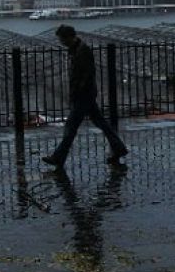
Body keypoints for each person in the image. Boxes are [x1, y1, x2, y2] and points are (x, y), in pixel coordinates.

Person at [42, 25, 129, 169]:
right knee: (102, 124)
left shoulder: (83, 50)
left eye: (62, 39)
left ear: (69, 37)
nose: (61, 42)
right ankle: (119, 148)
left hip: (83, 95)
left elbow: (88, 73)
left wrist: (78, 91)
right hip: (85, 95)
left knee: (71, 127)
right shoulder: (75, 49)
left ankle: (58, 157)